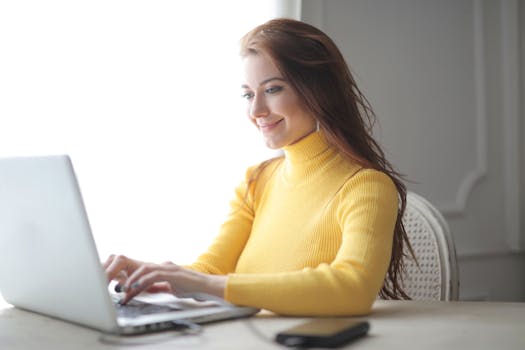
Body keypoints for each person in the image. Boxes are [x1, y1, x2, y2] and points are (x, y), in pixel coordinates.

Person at [104, 18, 414, 316]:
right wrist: (155, 276)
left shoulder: (367, 187)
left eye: (273, 89)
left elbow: (353, 288)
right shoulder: (257, 180)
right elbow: (211, 269)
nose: (256, 110)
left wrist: (205, 284)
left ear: (319, 91)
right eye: (248, 94)